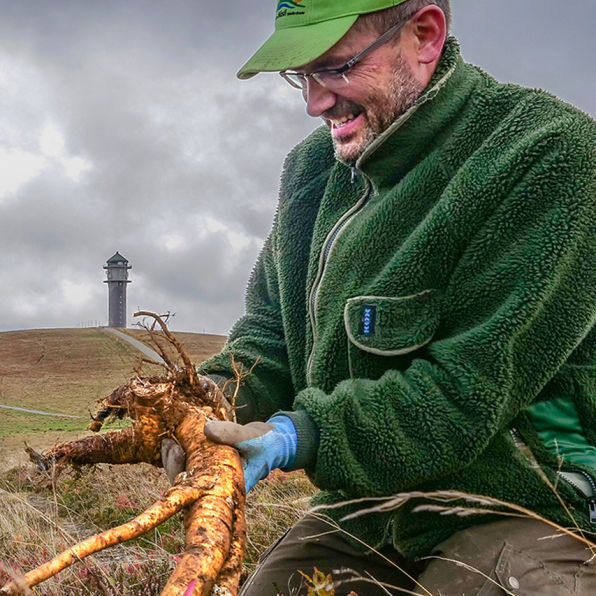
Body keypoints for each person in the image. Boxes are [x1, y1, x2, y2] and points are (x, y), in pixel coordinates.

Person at [165, 0, 596, 593]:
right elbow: (270, 334)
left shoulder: (548, 155)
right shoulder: (313, 171)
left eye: (337, 67)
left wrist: (301, 435)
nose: (315, 101)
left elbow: (466, 391)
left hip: (528, 503)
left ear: (424, 35)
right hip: (367, 505)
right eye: (302, 75)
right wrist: (207, 407)